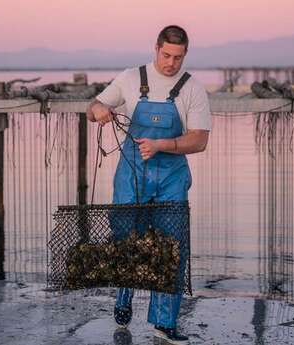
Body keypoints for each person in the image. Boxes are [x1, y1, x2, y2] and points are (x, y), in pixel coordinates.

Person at [86, 25, 211, 345]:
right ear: (156, 48)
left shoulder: (193, 88)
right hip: (131, 177)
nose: (171, 63)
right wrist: (100, 110)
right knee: (127, 242)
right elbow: (94, 107)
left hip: (171, 180)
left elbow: (199, 140)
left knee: (171, 250)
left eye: (178, 57)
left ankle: (164, 323)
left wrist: (160, 144)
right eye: (166, 55)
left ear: (186, 54)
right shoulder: (130, 78)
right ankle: (124, 296)